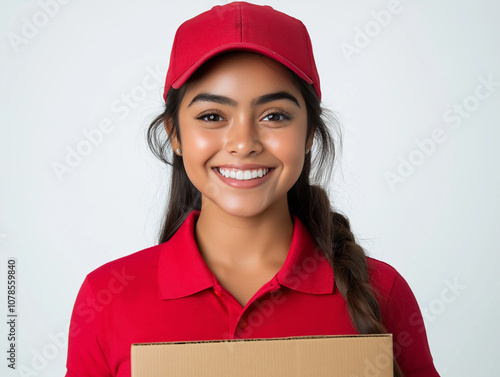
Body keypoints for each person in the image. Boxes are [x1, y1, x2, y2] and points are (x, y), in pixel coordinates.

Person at [65, 2, 439, 377]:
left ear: (309, 133)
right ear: (174, 134)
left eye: (274, 116)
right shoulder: (106, 299)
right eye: (212, 116)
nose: (243, 143)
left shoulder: (383, 292)